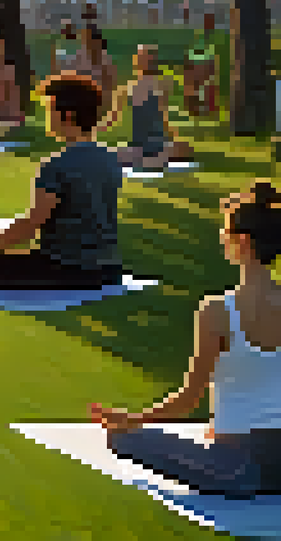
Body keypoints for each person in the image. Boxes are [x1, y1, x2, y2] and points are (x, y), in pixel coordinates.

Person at [90, 180, 281, 497]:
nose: (221, 239)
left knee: (124, 438)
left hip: (238, 468)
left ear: (243, 241)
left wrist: (132, 419)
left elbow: (188, 400)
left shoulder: (218, 310)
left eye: (225, 232)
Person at [0, 72, 123, 289]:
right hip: (109, 268)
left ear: (68, 115)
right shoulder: (110, 158)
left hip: (67, 268)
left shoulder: (57, 165)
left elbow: (32, 224)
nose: (47, 118)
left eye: (50, 110)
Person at [96, 44, 195, 170]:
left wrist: (174, 139)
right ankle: (153, 161)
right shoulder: (129, 89)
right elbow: (112, 119)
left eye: (150, 59)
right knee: (118, 153)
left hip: (159, 143)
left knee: (183, 147)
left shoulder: (161, 86)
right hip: (140, 145)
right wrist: (95, 129)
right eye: (144, 58)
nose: (148, 62)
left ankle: (152, 160)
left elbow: (164, 119)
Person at [67, 23, 117, 100]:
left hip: (98, 97)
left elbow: (109, 84)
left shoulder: (105, 60)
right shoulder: (79, 57)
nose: (87, 43)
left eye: (89, 40)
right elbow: (72, 77)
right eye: (85, 40)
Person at [184, 13, 219, 118]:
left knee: (206, 87)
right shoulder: (198, 37)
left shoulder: (212, 39)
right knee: (196, 88)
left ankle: (205, 109)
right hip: (198, 64)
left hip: (203, 64)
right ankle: (194, 109)